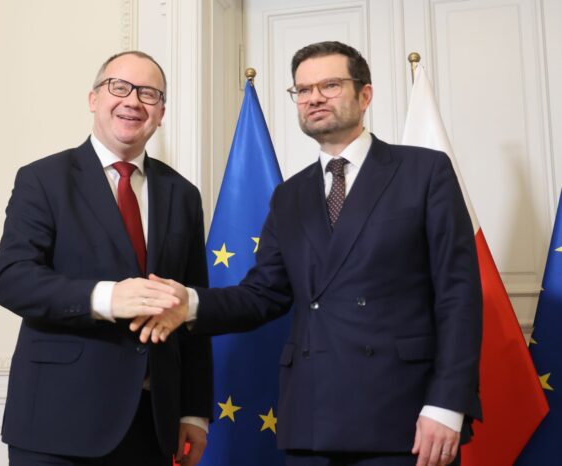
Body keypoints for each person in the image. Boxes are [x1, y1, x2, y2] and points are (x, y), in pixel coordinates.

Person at [133, 41, 482, 466]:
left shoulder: (424, 171)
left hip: (405, 415)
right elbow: (263, 294)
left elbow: (458, 295)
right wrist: (188, 302)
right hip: (311, 418)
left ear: (365, 95)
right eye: (302, 89)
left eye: (330, 85)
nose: (313, 98)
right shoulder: (289, 195)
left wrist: (447, 404)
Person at [0, 50, 213, 466]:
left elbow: (192, 308)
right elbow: (13, 280)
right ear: (94, 99)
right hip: (57, 421)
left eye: (148, 93)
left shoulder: (183, 194)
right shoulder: (42, 179)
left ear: (161, 114)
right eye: (120, 87)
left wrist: (194, 411)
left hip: (153, 424)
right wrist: (108, 298)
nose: (133, 101)